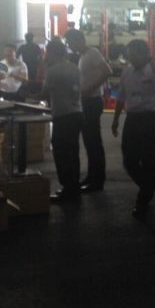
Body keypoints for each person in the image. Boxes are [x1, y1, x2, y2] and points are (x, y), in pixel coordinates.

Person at [112, 39, 155, 217]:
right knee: (129, 161)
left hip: (148, 119)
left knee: (148, 160)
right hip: (132, 119)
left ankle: (143, 199)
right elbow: (121, 97)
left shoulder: (151, 71)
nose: (130, 58)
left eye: (134, 54)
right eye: (129, 55)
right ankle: (147, 187)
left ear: (144, 55)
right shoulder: (126, 72)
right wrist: (115, 119)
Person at [64, 28, 112, 193]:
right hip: (86, 101)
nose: (69, 46)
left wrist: (90, 89)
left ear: (78, 40)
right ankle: (92, 177)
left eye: (70, 42)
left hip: (92, 101)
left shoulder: (93, 53)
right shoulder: (83, 56)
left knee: (93, 142)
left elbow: (107, 71)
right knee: (89, 142)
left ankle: (97, 180)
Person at [42, 39, 82, 202]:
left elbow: (44, 92)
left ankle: (67, 188)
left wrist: (27, 94)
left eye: (47, 53)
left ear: (53, 53)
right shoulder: (74, 67)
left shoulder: (53, 71)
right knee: (73, 151)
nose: (46, 56)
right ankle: (74, 187)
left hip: (62, 115)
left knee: (61, 152)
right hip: (76, 112)